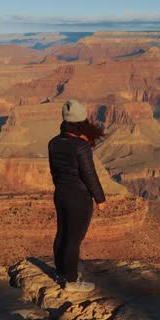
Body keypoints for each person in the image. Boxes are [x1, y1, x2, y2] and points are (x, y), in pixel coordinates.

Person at [47, 99, 106, 292]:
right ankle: (72, 282)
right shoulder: (81, 146)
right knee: (73, 239)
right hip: (78, 198)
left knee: (61, 234)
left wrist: (62, 188)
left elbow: (54, 172)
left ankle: (61, 273)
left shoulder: (53, 142)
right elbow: (89, 174)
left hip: (61, 194)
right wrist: (100, 198)